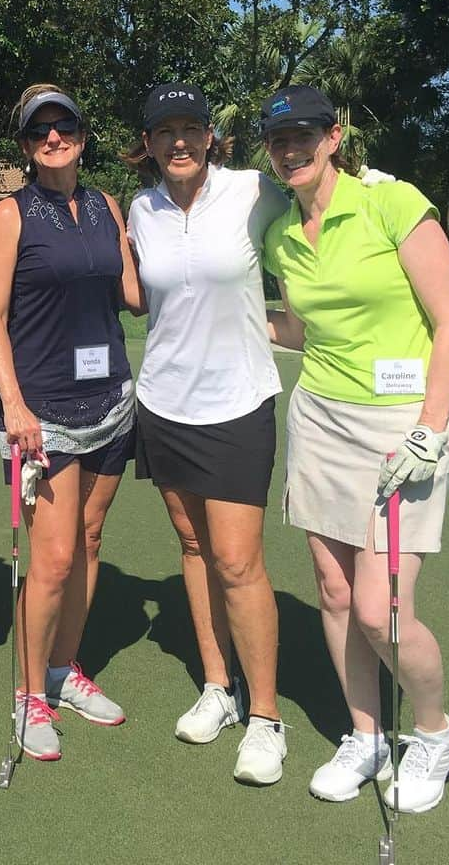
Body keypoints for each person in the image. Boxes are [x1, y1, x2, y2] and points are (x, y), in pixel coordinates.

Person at [262, 84, 449, 812]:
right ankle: (366, 733)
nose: (291, 149)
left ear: (335, 136)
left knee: (382, 608)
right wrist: (228, 322)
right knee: (337, 590)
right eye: (278, 139)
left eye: (304, 135)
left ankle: (436, 734)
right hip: (321, 418)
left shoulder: (392, 203)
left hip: (403, 424)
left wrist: (431, 425)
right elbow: (298, 329)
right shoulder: (281, 231)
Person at [124, 83, 289, 785]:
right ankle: (219, 689)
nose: (181, 142)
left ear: (211, 139)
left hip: (238, 403)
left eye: (192, 129)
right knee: (192, 545)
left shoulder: (255, 192)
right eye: (167, 132)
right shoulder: (141, 208)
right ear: (150, 145)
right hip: (163, 402)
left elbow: (325, 206)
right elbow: (141, 295)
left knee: (238, 562)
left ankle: (266, 718)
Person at [0, 84, 138, 762]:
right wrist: (13, 404)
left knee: (91, 540)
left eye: (63, 125)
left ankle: (62, 670)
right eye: (39, 130)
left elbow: (132, 292)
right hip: (41, 412)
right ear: (24, 144)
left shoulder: (107, 205)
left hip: (110, 399)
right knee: (54, 558)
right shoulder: (11, 215)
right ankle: (28, 696)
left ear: (80, 133)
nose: (53, 137)